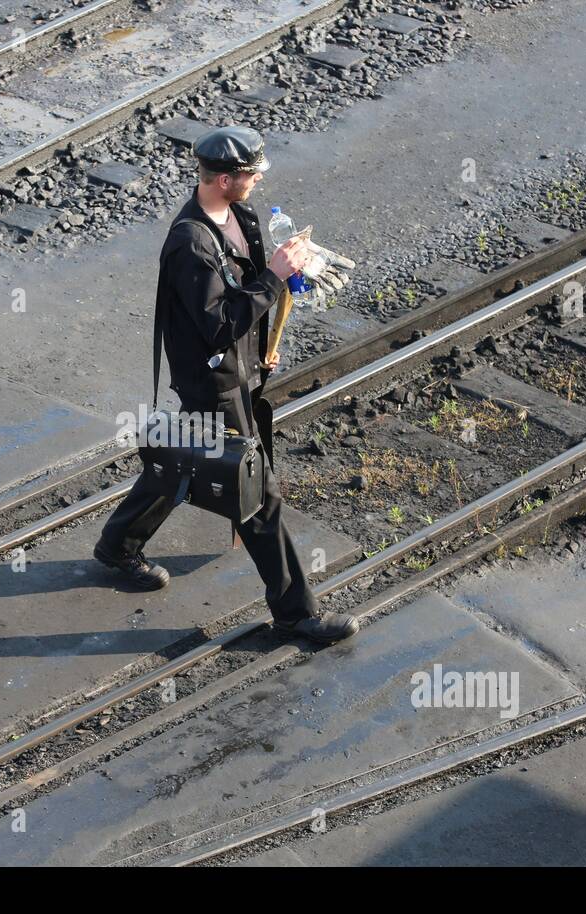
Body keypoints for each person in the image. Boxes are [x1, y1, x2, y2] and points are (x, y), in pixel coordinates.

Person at [92, 126, 359, 644]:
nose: (258, 178)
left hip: (241, 369)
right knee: (257, 493)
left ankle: (118, 544)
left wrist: (262, 348)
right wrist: (276, 276)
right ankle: (294, 614)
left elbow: (248, 302)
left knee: (187, 457)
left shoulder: (242, 215)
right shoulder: (190, 243)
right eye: (250, 173)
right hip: (212, 383)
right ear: (221, 179)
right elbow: (217, 321)